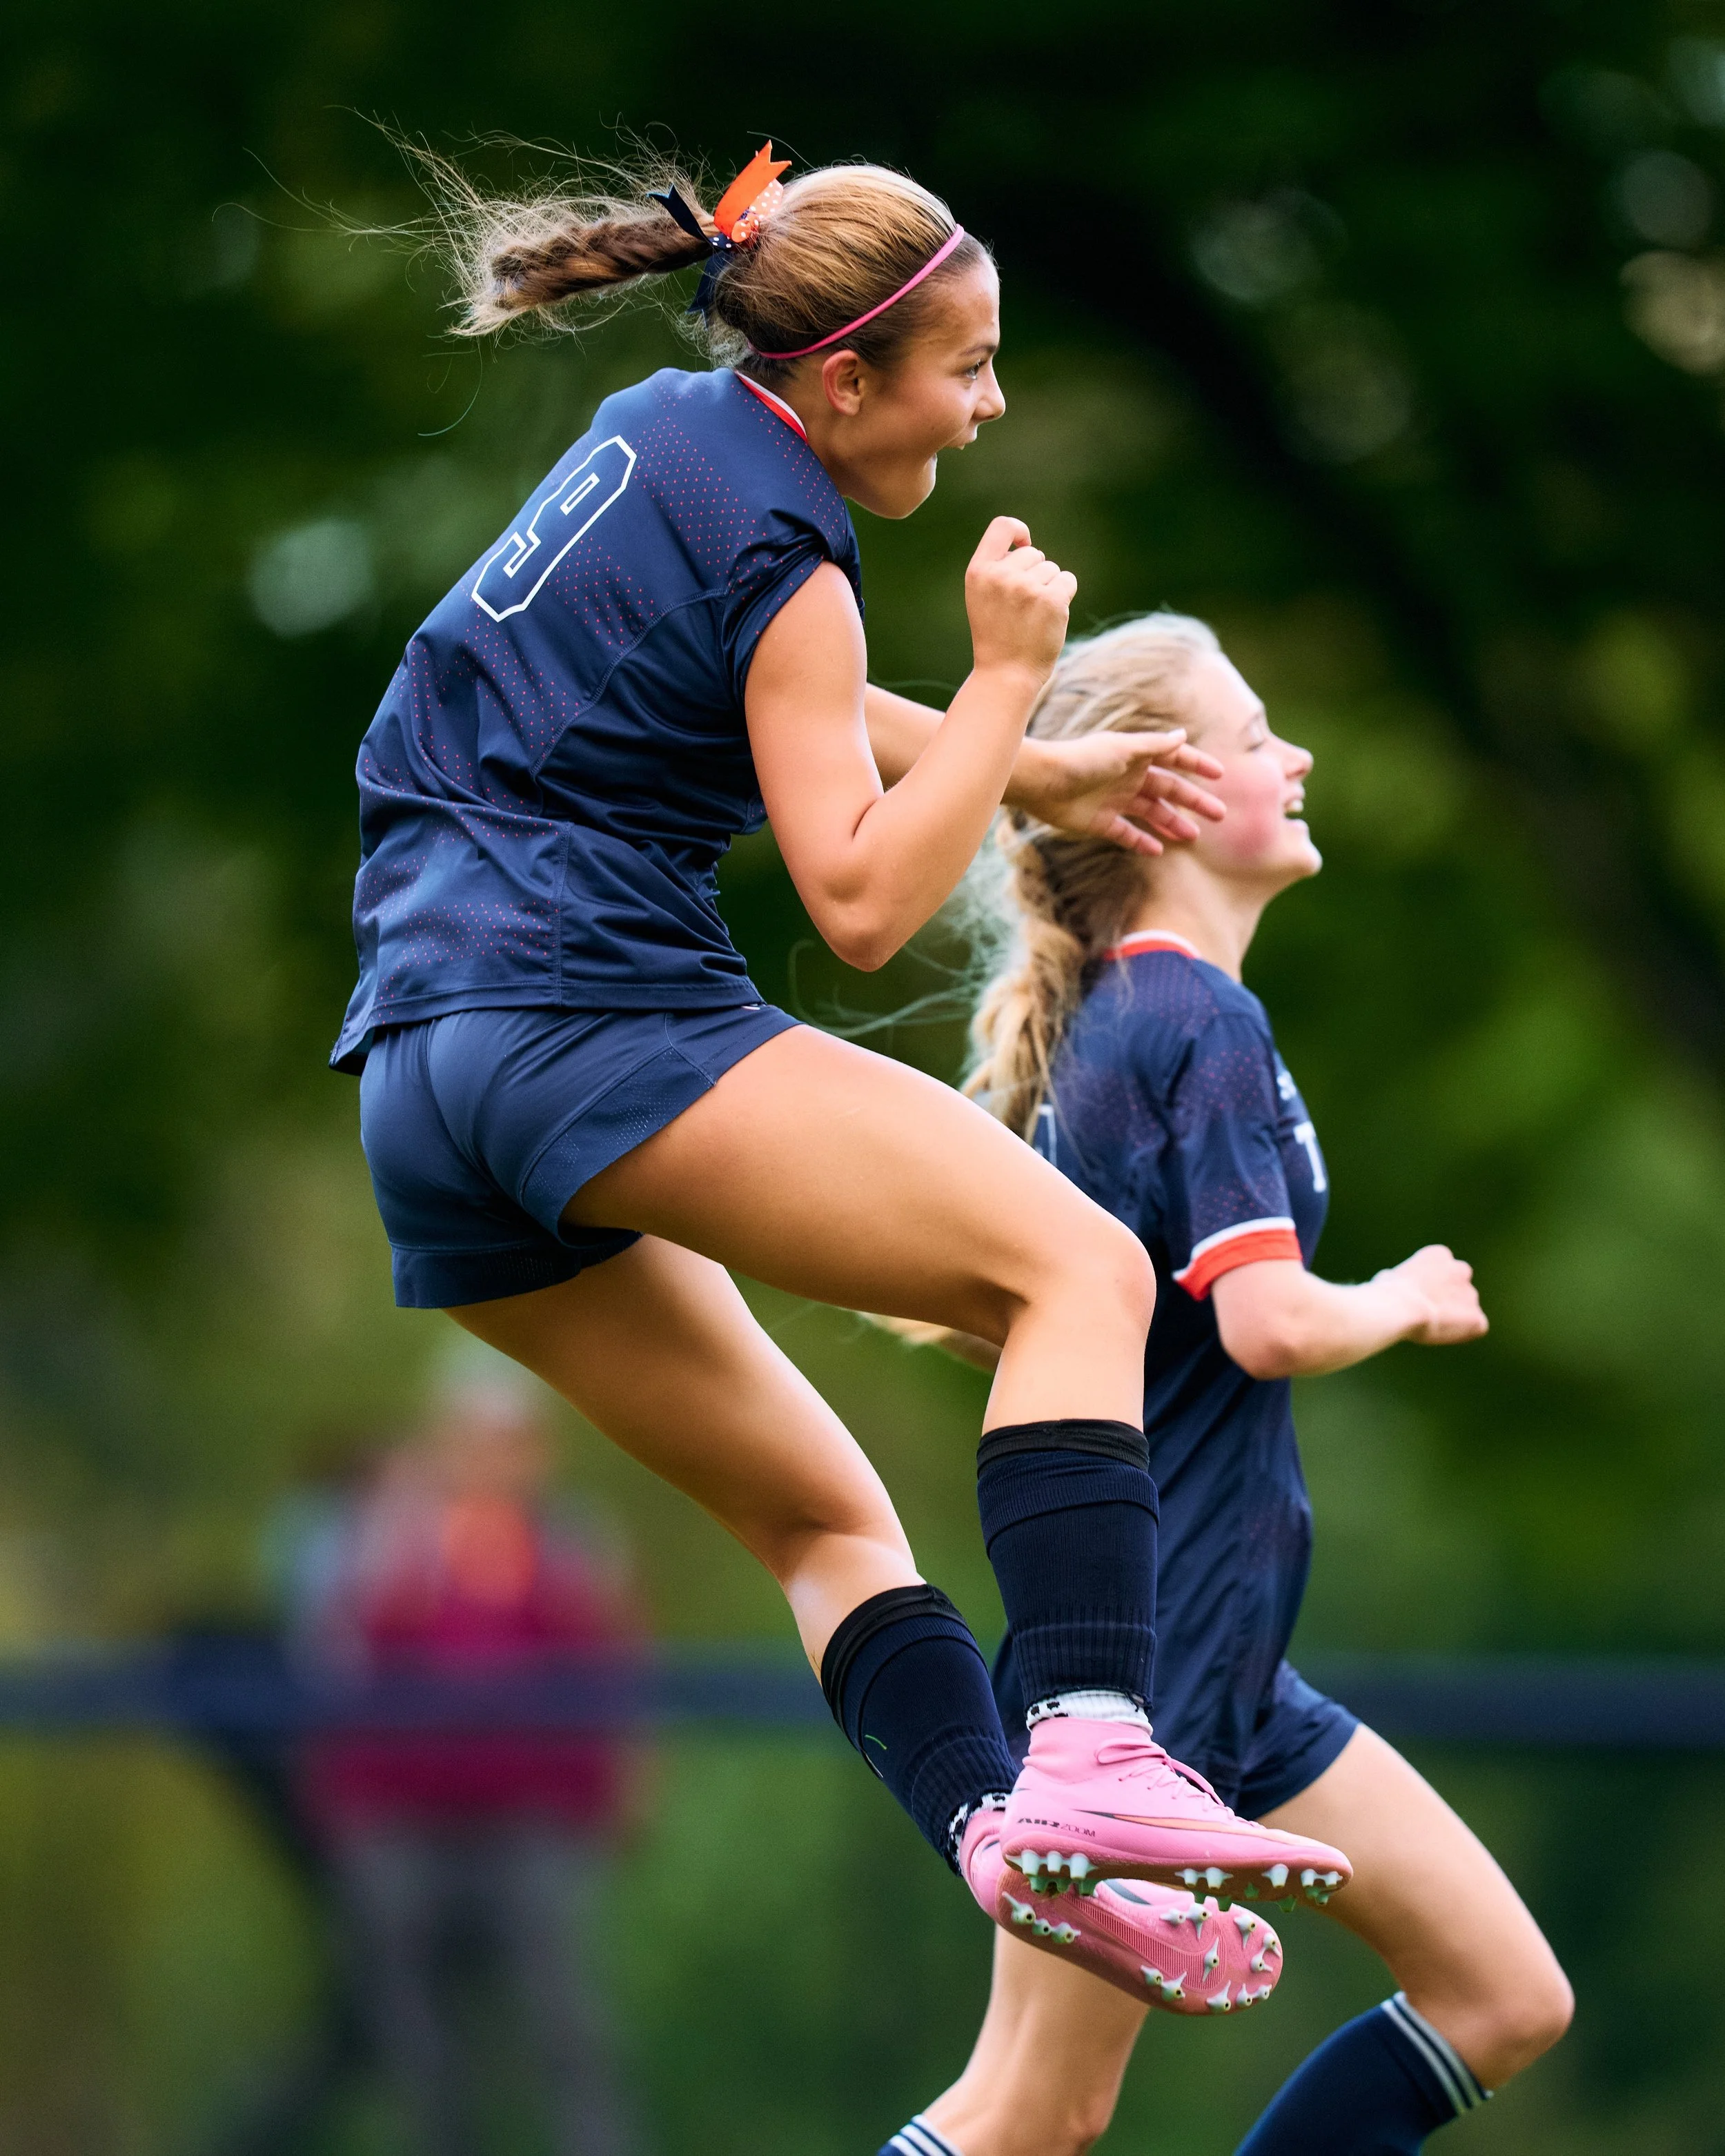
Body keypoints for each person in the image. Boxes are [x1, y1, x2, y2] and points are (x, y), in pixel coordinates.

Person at [332, 140, 1354, 1995]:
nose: (990, 404)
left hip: (421, 1079)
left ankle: (997, 1829)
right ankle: (1095, 1744)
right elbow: (867, 904)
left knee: (822, 1520)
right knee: (1083, 1269)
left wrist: (1030, 763)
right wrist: (1004, 679)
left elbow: (783, 692)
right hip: (586, 1020)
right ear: (847, 379)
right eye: (969, 366)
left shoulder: (662, 437)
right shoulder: (788, 544)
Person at [873, 616, 1573, 2156]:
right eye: (1256, 737)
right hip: (1157, 1657)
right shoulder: (1192, 1016)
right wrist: (1397, 1296)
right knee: (1034, 2109)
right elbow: (1262, 1323)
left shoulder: (1149, 1017)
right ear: (1166, 799)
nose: (1295, 756)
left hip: (1230, 1664)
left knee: (1502, 1992)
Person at [295, 1373, 645, 2156]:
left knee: (564, 2016)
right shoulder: (381, 1537)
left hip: (532, 1819)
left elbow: (614, 1671)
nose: (492, 1458)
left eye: (509, 1441)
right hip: (399, 1820)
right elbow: (333, 1665)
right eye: (474, 1438)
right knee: (410, 2021)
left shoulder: (573, 1543)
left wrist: (621, 1788)